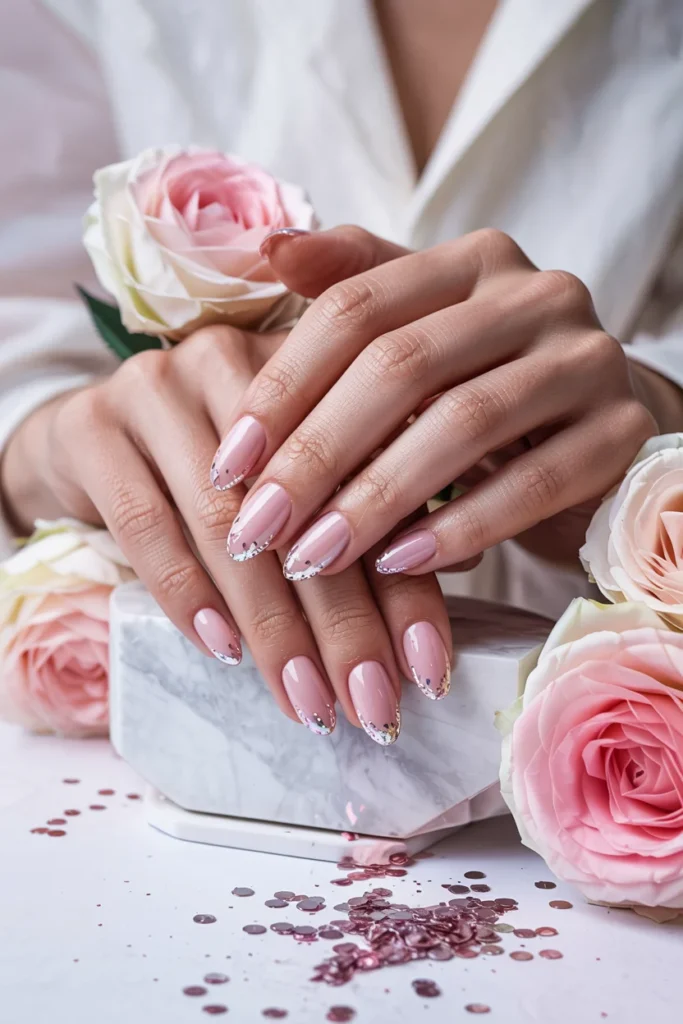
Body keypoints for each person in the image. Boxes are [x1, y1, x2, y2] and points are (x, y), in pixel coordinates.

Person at [1, 0, 682, 744]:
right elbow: (22, 306)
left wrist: (651, 432)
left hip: (615, 746)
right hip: (175, 744)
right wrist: (41, 447)